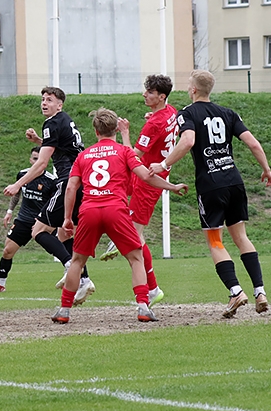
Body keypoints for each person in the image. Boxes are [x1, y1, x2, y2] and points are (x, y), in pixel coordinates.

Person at [149, 70, 271, 318]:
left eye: (188, 85)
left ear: (194, 89)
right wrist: (267, 170)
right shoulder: (228, 113)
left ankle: (236, 291)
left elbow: (187, 142)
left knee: (216, 241)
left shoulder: (188, 112)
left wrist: (163, 166)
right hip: (234, 180)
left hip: (211, 184)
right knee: (241, 237)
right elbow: (253, 143)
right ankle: (260, 291)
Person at [51, 108, 188, 324]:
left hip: (89, 210)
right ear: (116, 129)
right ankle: (143, 306)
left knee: (77, 261)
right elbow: (145, 176)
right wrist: (171, 187)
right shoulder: (125, 152)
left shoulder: (83, 155)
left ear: (95, 131)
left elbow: (70, 188)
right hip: (116, 209)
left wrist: (68, 218)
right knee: (135, 258)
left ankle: (64, 310)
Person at [3, 86, 96, 306]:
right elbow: (65, 149)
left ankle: (76, 272)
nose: (44, 103)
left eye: (50, 100)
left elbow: (42, 164)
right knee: (64, 232)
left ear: (60, 104)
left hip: (68, 183)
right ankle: (82, 277)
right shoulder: (65, 121)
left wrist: (18, 184)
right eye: (43, 99)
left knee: (39, 230)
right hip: (83, 182)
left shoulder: (52, 123)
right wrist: (39, 141)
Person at [100, 74, 178, 307]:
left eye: (150, 92)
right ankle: (119, 235)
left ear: (161, 96)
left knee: (135, 238)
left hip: (149, 179)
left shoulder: (153, 123)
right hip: (148, 175)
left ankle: (152, 288)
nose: (145, 94)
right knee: (114, 195)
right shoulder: (170, 111)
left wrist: (125, 132)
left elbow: (132, 156)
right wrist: (153, 117)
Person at [0, 146, 56, 293]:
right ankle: (0, 285)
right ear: (31, 160)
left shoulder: (51, 181)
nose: (36, 161)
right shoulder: (22, 175)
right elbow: (17, 194)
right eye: (34, 158)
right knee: (7, 251)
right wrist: (9, 211)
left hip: (43, 222)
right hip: (23, 219)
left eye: (39, 159)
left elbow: (54, 203)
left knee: (60, 250)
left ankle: (75, 277)